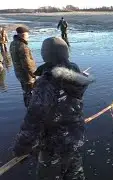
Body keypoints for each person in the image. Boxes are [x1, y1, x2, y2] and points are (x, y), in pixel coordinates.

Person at [13, 37, 93, 180]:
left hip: (52, 146)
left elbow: (34, 119)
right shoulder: (76, 77)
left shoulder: (47, 83)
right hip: (74, 140)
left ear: (46, 55)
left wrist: (22, 147)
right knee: (75, 174)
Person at [9, 27, 37, 107]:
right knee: (31, 92)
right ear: (23, 35)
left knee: (25, 92)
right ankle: (32, 110)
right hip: (27, 75)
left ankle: (28, 107)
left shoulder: (13, 43)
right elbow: (26, 64)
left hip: (19, 73)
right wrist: (34, 74)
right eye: (27, 35)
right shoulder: (23, 46)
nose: (28, 36)